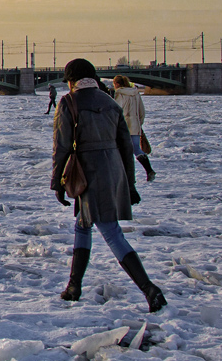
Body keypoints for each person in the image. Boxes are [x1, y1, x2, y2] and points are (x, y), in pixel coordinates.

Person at [52, 59, 166, 312]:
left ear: (72, 81)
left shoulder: (69, 103)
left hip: (87, 172)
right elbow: (126, 147)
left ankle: (149, 289)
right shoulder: (110, 102)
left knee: (110, 231)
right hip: (113, 170)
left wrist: (57, 183)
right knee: (83, 224)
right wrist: (130, 184)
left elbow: (61, 147)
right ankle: (74, 286)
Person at [113, 75, 155, 182]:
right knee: (136, 148)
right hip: (135, 125)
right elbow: (142, 111)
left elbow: (117, 109)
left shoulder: (119, 93)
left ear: (117, 84)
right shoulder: (136, 93)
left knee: (121, 150)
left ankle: (126, 176)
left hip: (123, 126)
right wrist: (139, 123)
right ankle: (149, 170)